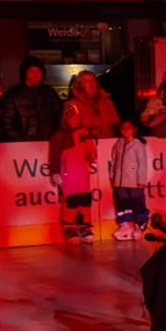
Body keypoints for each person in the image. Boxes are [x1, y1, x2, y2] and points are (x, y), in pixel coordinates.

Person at [51, 70, 118, 242]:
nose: (91, 83)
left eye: (93, 80)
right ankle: (70, 226)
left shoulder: (107, 103)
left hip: (104, 152)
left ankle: (84, 225)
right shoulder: (72, 105)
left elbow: (116, 125)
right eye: (87, 81)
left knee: (86, 197)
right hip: (76, 164)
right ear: (80, 85)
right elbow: (64, 135)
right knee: (73, 197)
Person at [1, 59, 63, 143]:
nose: (35, 75)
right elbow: (7, 122)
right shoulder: (13, 95)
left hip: (48, 141)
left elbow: (59, 116)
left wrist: (54, 136)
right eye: (31, 71)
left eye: (38, 71)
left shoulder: (50, 93)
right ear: (25, 73)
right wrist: (18, 140)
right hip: (24, 143)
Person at [109, 117, 151, 241]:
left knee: (137, 202)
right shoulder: (118, 144)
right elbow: (114, 162)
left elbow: (142, 163)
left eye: (128, 128)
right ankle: (125, 225)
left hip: (134, 181)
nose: (125, 130)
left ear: (134, 129)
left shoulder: (138, 145)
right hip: (119, 181)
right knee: (122, 203)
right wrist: (113, 177)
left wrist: (141, 180)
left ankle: (140, 225)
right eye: (123, 128)